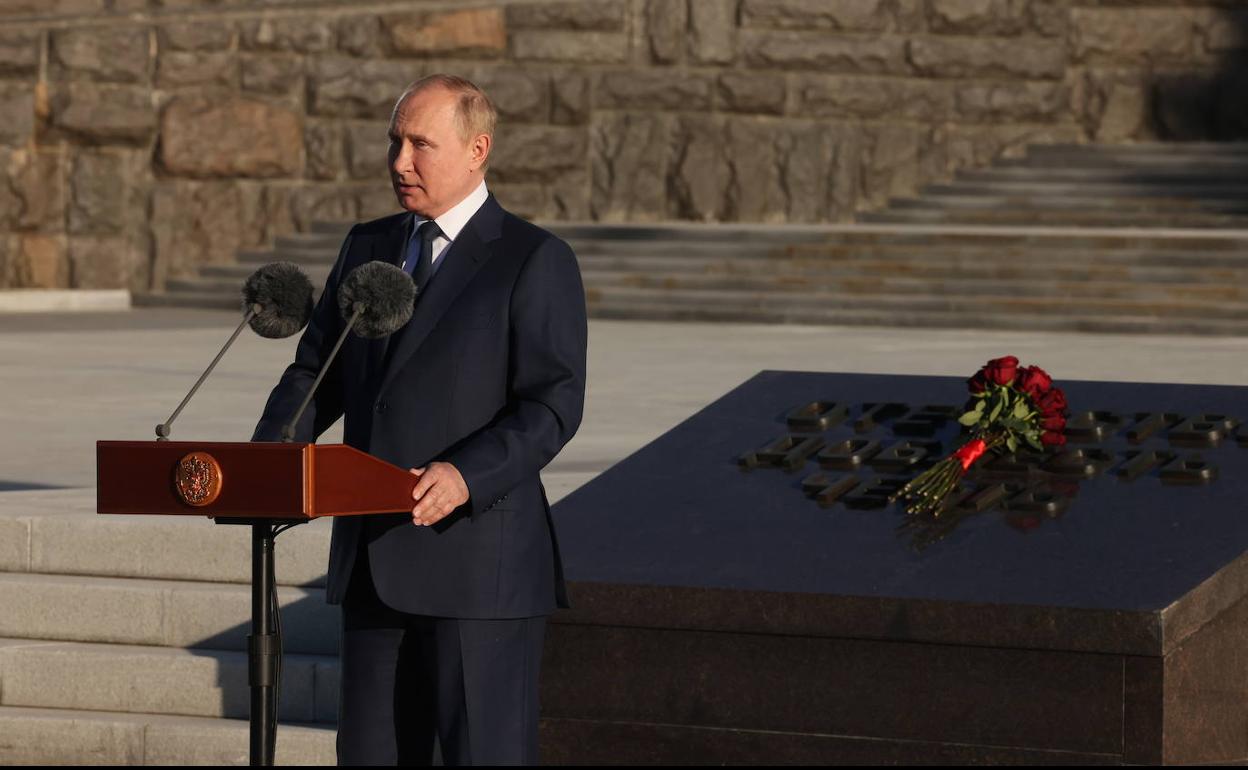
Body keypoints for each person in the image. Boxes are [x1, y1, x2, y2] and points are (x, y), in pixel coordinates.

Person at [250, 73, 588, 766]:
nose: (400, 162)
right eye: (394, 142)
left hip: (477, 570)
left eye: (420, 144)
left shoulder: (534, 259)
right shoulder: (367, 245)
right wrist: (267, 459)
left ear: (477, 149)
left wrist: (467, 473)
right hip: (374, 564)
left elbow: (552, 403)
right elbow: (318, 370)